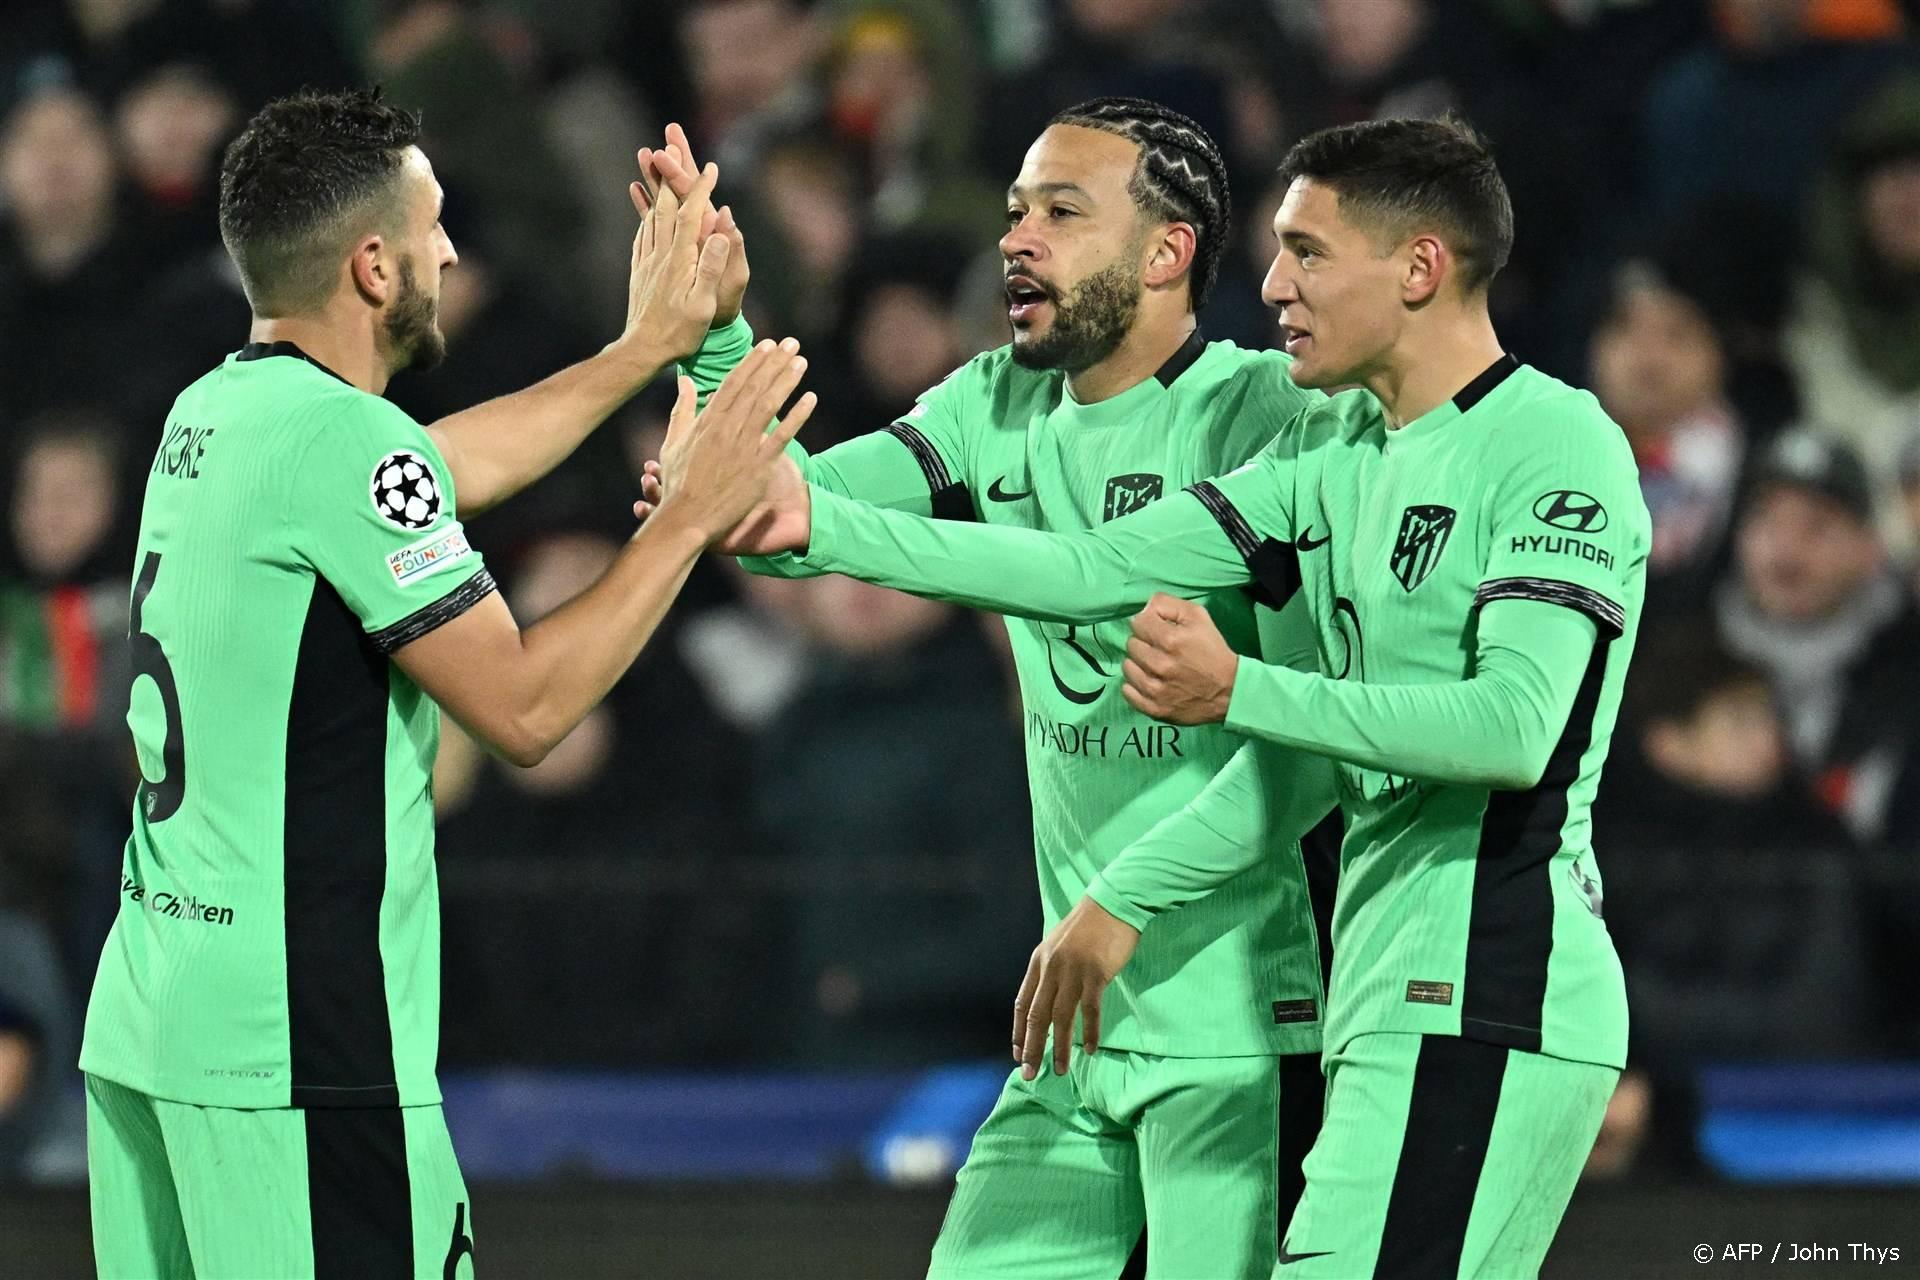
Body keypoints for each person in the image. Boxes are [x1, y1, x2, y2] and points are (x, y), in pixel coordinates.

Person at [727, 115, 1649, 1277]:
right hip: (1369, 989)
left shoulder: (1551, 438)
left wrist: (1240, 691)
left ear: (1418, 266)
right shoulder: (1336, 460)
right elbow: (1089, 568)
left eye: (1307, 252)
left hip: (1484, 979)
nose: (1271, 284)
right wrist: (783, 462)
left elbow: (1516, 728)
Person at [78, 88, 815, 1279]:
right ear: (374, 266)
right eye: (431, 227)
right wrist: (688, 518)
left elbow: (431, 467)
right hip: (300, 1050)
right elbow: (524, 709)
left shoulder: (212, 413)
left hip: (159, 1023)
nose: (452, 250)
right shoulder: (343, 447)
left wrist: (645, 351)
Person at [642, 102, 1338, 1280]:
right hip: (1069, 1026)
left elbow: (1308, 750)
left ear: (1166, 251)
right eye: (1016, 210)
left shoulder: (1268, 412)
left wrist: (1118, 901)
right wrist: (715, 335)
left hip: (1227, 1022)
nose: (1018, 237)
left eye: (1064, 212)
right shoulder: (992, 404)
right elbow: (783, 522)